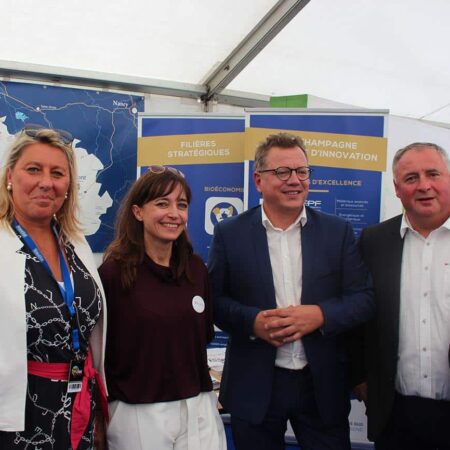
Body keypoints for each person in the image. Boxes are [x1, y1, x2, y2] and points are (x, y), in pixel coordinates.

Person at [208, 132, 374, 450]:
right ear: (259, 180)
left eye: (302, 171)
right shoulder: (230, 233)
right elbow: (214, 300)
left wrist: (320, 315)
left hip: (320, 385)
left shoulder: (337, 232)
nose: (294, 180)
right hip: (254, 384)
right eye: (282, 172)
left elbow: (364, 299)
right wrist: (252, 322)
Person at [99, 166, 226, 450]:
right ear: (138, 212)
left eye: (181, 205)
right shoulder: (113, 275)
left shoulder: (196, 269)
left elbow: (202, 336)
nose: (174, 213)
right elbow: (100, 354)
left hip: (198, 407)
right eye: (161, 203)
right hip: (139, 411)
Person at [0, 125, 108, 450]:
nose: (46, 182)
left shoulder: (77, 245)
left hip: (79, 407)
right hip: (19, 413)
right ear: (9, 177)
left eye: (57, 173)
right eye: (34, 169)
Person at [355, 142, 450, 449]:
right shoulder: (374, 241)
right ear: (397, 189)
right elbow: (360, 317)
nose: (424, 185)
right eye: (411, 178)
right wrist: (360, 378)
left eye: (433, 174)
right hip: (394, 414)